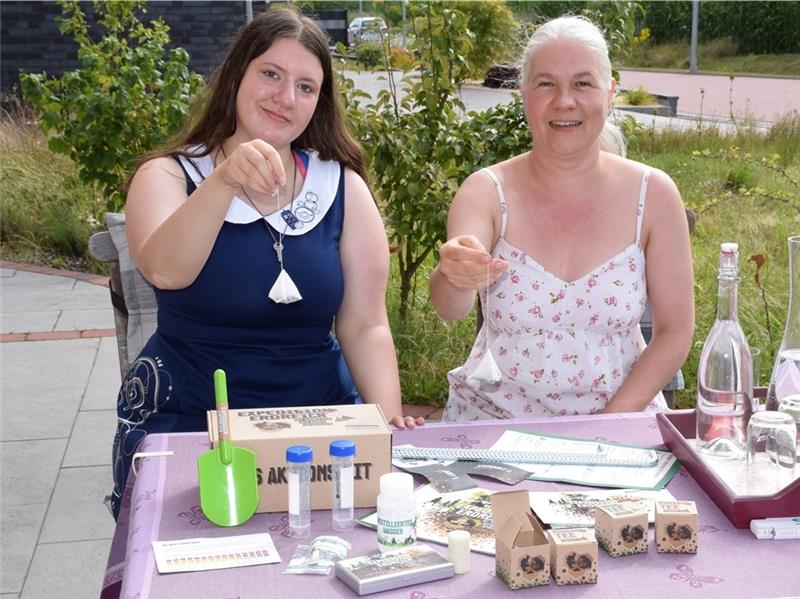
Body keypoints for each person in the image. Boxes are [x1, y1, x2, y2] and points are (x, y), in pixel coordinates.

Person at [111, 7, 421, 519]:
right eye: (271, 75)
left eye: (305, 87)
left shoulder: (340, 185)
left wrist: (383, 427)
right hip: (192, 418)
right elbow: (166, 271)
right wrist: (225, 179)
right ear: (237, 74)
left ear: (319, 103)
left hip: (319, 421)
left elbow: (365, 324)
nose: (285, 98)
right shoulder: (168, 175)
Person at [429, 16, 694, 421]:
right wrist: (455, 273)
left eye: (582, 84)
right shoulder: (486, 191)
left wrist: (604, 427)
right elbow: (451, 308)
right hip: (494, 428)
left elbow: (674, 334)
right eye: (546, 84)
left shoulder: (654, 194)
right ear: (523, 94)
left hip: (619, 425)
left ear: (610, 93)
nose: (564, 101)